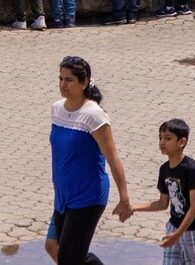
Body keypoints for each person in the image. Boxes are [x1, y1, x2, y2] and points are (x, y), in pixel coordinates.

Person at [50, 55, 133, 265]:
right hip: (63, 195)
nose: (63, 84)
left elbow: (113, 158)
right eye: (60, 78)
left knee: (69, 259)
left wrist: (124, 199)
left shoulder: (94, 116)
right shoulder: (57, 109)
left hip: (88, 195)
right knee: (65, 253)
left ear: (84, 82)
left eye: (69, 80)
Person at [127, 118, 195, 265]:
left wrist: (178, 235)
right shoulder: (164, 169)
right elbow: (162, 203)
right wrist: (133, 207)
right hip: (174, 227)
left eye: (167, 138)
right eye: (160, 137)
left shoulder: (191, 169)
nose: (162, 142)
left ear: (182, 142)